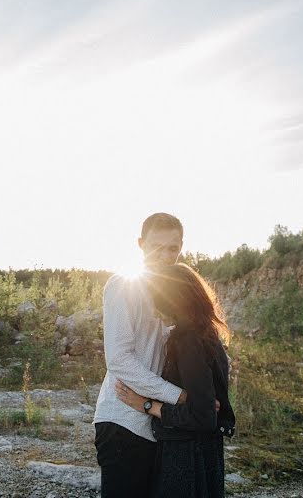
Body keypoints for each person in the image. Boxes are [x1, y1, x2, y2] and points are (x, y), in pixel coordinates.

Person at [115, 263, 236, 498]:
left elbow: (202, 416)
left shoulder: (189, 339)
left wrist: (147, 405)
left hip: (187, 455)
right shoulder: (207, 333)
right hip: (205, 452)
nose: (155, 308)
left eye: (157, 299)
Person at [92, 213, 191, 497]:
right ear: (140, 244)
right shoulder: (124, 285)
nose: (164, 255)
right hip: (122, 420)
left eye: (172, 248)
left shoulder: (172, 292)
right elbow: (119, 360)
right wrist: (180, 397)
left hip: (155, 421)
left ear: (181, 247)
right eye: (156, 247)